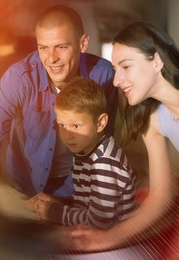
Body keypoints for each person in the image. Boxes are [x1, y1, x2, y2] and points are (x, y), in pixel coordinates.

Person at [65, 21, 179, 259]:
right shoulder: (152, 120)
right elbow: (159, 198)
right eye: (115, 69)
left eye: (125, 66)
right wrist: (107, 238)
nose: (116, 80)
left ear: (156, 61)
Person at [0, 5, 118, 198]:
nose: (51, 59)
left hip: (79, 184)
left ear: (83, 43)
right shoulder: (19, 79)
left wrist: (62, 195)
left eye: (61, 47)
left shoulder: (104, 76)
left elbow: (102, 143)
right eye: (43, 48)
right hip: (25, 185)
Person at [27, 77, 137, 229]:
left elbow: (98, 222)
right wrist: (57, 201)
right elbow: (85, 200)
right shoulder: (84, 149)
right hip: (93, 231)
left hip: (115, 238)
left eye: (76, 125)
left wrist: (53, 212)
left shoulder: (104, 162)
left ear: (100, 123)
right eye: (62, 125)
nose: (67, 135)